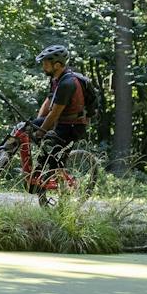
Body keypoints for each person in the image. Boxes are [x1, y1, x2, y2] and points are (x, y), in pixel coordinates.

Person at [29, 44, 90, 195]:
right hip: (60, 121)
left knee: (52, 152)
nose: (43, 66)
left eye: (45, 63)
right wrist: (38, 123)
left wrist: (40, 133)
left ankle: (60, 186)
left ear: (57, 65)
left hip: (72, 126)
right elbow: (49, 102)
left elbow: (54, 114)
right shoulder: (56, 79)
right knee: (24, 126)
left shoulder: (67, 84)